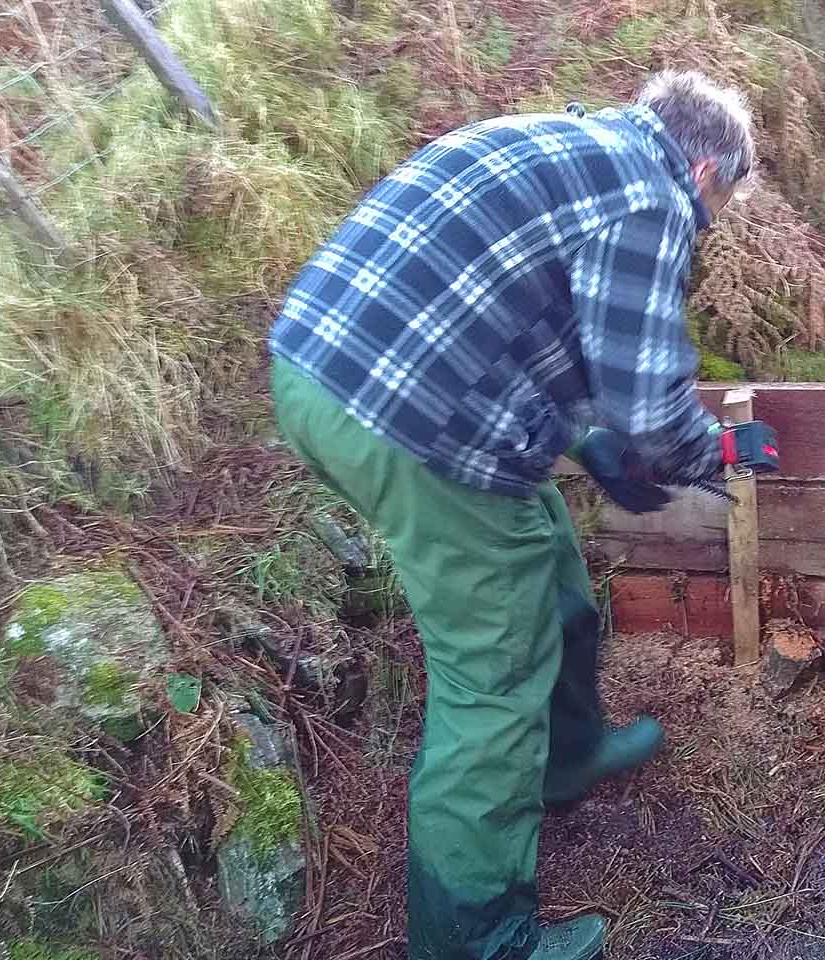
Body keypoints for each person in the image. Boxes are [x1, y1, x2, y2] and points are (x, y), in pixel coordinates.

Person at [267, 70, 763, 960]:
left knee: (550, 563)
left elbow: (496, 323)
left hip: (333, 369)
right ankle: (477, 939)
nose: (711, 224)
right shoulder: (651, 198)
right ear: (704, 169)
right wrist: (711, 455)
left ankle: (566, 756)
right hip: (401, 415)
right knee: (492, 679)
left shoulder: (569, 146)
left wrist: (585, 440)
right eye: (720, 204)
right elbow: (650, 399)